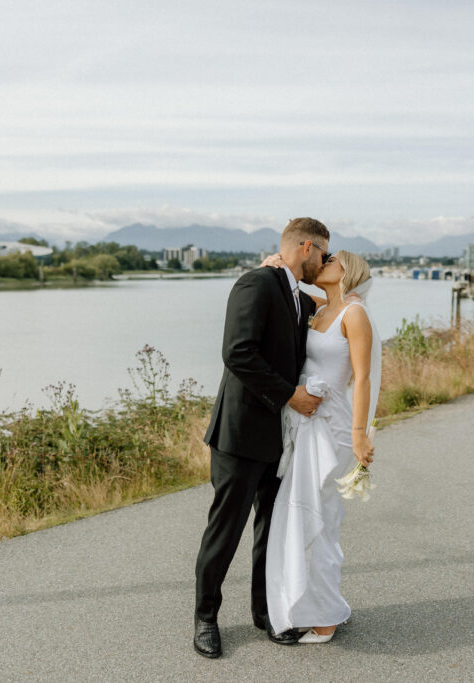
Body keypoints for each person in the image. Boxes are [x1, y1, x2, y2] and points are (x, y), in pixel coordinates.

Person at [193, 217, 332, 659]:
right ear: (306, 247)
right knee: (226, 530)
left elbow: (336, 305)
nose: (326, 262)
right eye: (324, 254)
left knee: (270, 532)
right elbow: (237, 351)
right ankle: (205, 618)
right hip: (240, 434)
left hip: (280, 440)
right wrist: (290, 394)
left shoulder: (297, 295)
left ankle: (266, 613)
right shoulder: (256, 284)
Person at [265, 250, 381, 644]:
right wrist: (277, 267)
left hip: (332, 428)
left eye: (330, 260)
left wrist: (360, 433)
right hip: (306, 423)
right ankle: (322, 605)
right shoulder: (322, 310)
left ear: (345, 271)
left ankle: (326, 618)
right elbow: (292, 292)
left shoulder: (354, 314)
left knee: (322, 520)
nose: (322, 264)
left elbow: (362, 379)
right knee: (306, 516)